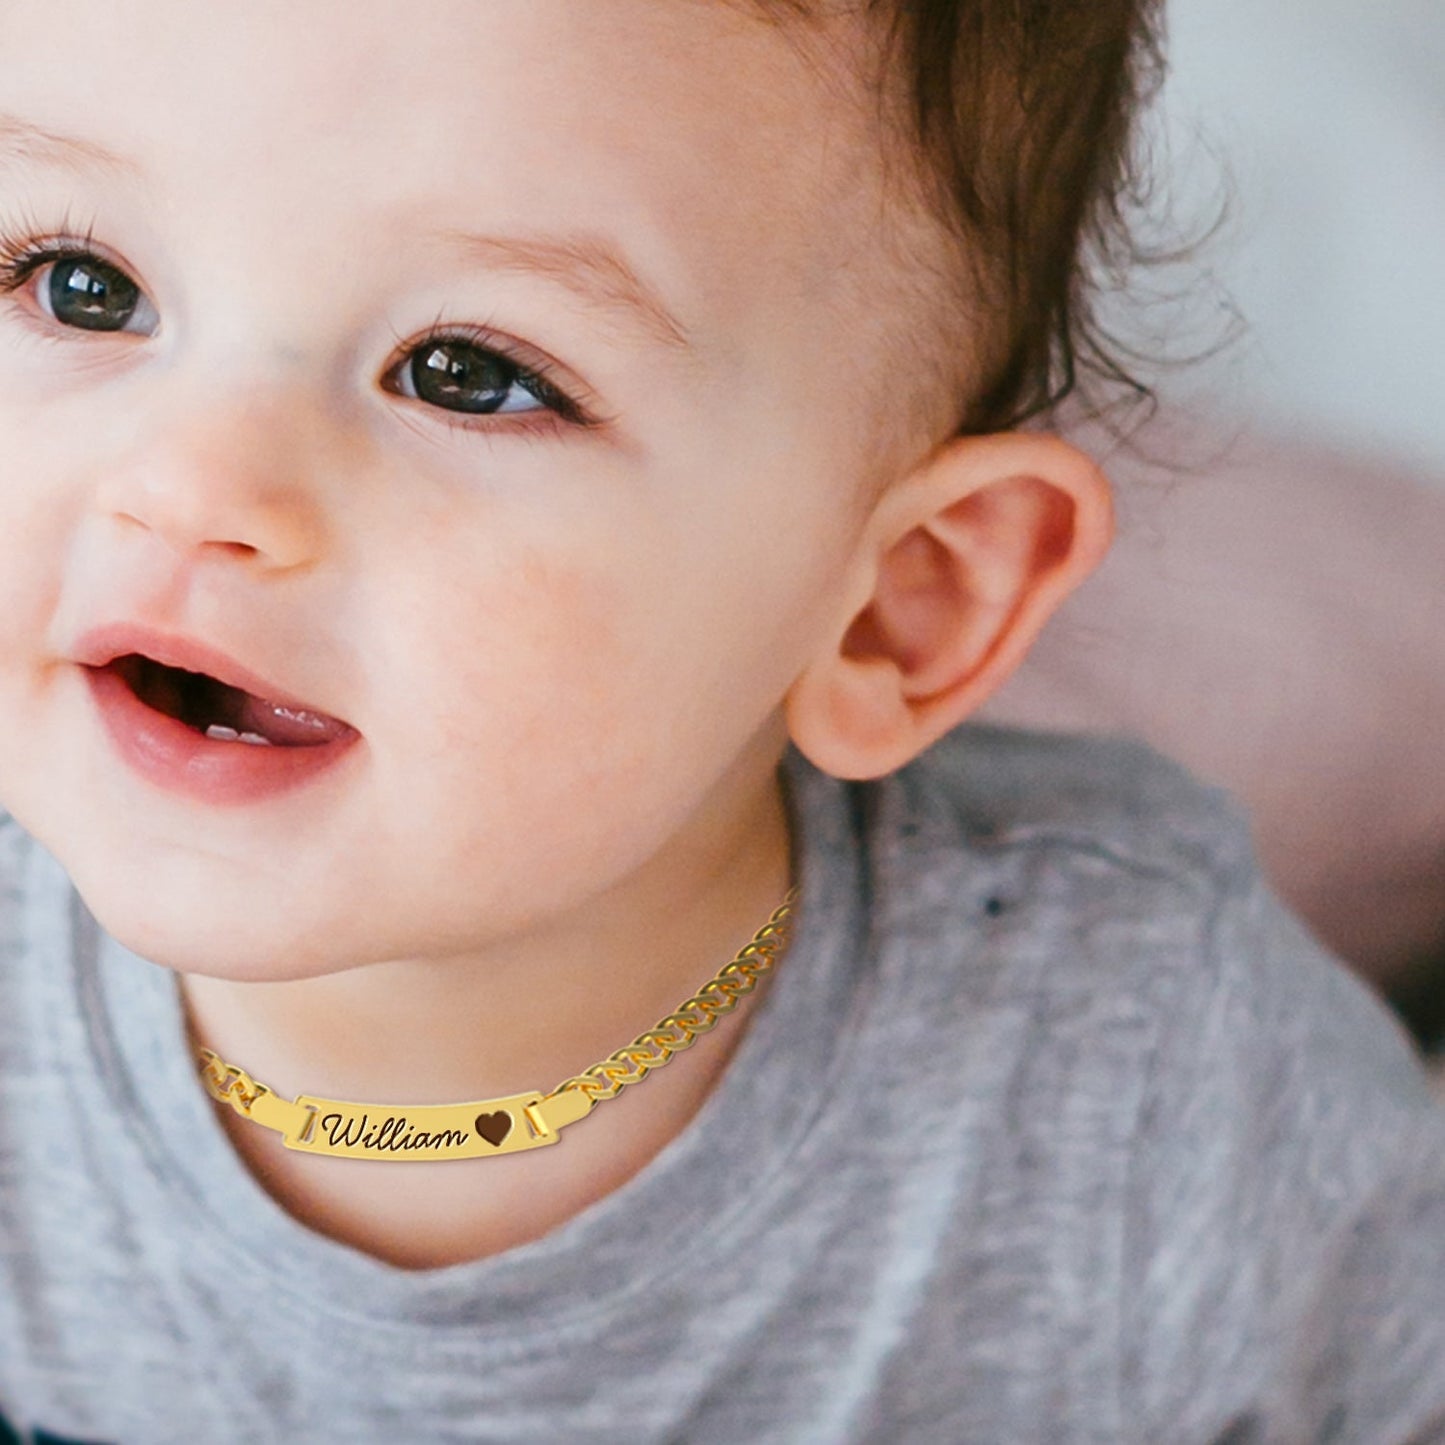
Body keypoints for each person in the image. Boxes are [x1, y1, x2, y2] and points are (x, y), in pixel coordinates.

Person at [0, 3, 1442, 1441]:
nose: (186, 486)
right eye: (79, 285)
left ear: (891, 606)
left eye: (470, 375)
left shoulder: (1149, 1062)